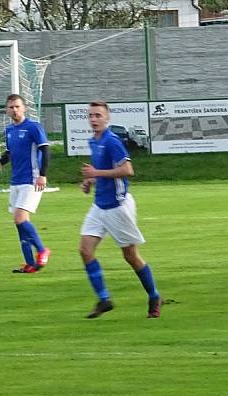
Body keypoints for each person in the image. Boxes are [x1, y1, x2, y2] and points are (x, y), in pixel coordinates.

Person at [79, 101, 162, 319]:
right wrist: (91, 181)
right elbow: (103, 173)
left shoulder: (112, 141)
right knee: (85, 250)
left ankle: (154, 295)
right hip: (99, 205)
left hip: (118, 206)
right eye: (91, 115)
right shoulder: (93, 141)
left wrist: (96, 172)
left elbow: (127, 170)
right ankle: (104, 299)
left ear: (107, 118)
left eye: (98, 115)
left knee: (131, 256)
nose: (94, 119)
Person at [0, 94, 51, 274]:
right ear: (7, 110)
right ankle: (30, 263)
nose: (14, 110)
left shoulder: (33, 127)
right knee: (19, 223)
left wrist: (43, 175)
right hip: (16, 181)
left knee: (20, 218)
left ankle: (42, 250)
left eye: (17, 106)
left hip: (31, 180)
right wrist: (0, 162)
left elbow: (45, 150)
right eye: (11, 107)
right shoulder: (9, 130)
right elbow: (9, 152)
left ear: (24, 108)